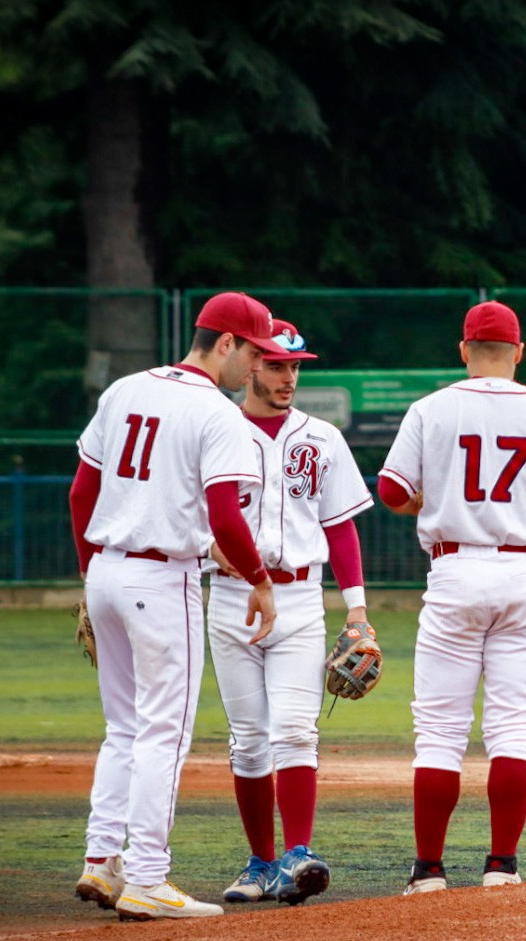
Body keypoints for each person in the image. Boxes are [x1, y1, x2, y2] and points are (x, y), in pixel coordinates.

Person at [68, 291, 286, 921]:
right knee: (165, 731)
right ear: (225, 343)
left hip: (108, 570)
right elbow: (223, 513)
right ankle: (147, 879)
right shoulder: (217, 414)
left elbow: (83, 491)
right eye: (254, 352)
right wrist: (260, 581)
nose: (256, 367)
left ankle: (101, 860)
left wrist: (88, 579)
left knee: (124, 729)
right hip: (162, 582)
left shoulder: (126, 389)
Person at [378, 301, 526, 894]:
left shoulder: (431, 408)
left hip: (453, 572)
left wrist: (439, 499)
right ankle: (502, 866)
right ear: (521, 354)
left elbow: (392, 490)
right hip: (523, 576)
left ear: (463, 350)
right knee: (513, 726)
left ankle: (428, 871)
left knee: (441, 729)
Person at [206, 319, 375, 906]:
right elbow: (184, 509)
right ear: (249, 364)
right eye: (277, 364)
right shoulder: (216, 428)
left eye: (295, 366)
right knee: (249, 741)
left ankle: (299, 855)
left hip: (302, 597)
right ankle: (260, 864)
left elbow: (341, 527)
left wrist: (358, 613)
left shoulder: (322, 437)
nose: (288, 377)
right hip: (232, 601)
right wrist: (205, 547)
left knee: (296, 732)